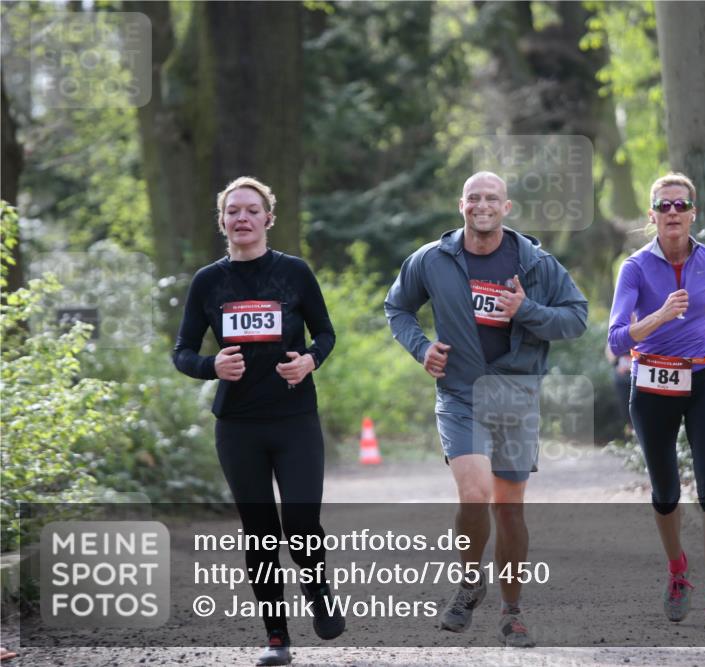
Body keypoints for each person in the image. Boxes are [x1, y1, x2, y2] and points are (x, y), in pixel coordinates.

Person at [384, 171, 588, 648]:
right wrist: (421, 348)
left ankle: (512, 610)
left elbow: (576, 317)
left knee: (510, 510)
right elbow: (398, 308)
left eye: (491, 198)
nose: (482, 205)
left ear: (506, 207)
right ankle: (470, 581)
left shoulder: (535, 263)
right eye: (473, 197)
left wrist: (526, 311)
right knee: (474, 494)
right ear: (461, 205)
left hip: (516, 396)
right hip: (460, 393)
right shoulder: (433, 259)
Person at [173, 176, 342, 665]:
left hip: (294, 420)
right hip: (239, 425)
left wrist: (310, 360)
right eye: (232, 212)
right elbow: (182, 351)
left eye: (251, 210)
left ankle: (318, 590)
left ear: (268, 218)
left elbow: (326, 334)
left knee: (302, 521)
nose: (241, 219)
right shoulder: (209, 281)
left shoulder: (294, 272)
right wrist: (211, 367)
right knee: (260, 530)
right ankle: (276, 637)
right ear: (223, 222)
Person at [607, 172, 705, 632]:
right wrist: (659, 315)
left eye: (679, 205)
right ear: (651, 216)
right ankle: (677, 571)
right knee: (666, 493)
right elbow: (616, 338)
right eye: (663, 206)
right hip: (650, 385)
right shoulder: (633, 268)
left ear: (693, 213)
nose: (672, 213)